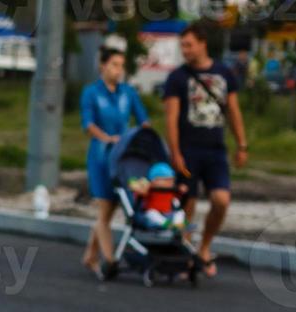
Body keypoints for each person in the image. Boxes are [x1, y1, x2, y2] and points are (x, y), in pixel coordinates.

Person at [162, 21, 248, 280]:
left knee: (221, 200)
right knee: (187, 203)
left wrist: (241, 144)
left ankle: (205, 246)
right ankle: (186, 255)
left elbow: (233, 111)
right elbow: (171, 118)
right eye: (182, 46)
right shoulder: (177, 78)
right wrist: (175, 152)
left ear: (202, 43)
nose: (185, 50)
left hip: (215, 150)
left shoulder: (224, 74)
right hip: (188, 150)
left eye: (189, 45)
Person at [79, 48, 146, 277]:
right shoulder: (91, 92)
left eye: (121, 65)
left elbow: (143, 120)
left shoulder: (128, 92)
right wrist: (107, 138)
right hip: (101, 156)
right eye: (115, 64)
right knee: (105, 207)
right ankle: (109, 260)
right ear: (103, 66)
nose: (119, 70)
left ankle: (90, 256)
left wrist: (145, 141)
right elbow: (88, 123)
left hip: (123, 158)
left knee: (110, 210)